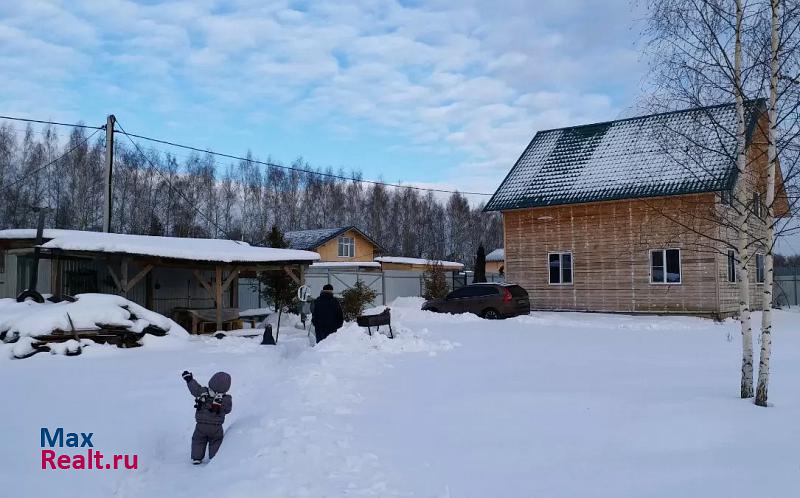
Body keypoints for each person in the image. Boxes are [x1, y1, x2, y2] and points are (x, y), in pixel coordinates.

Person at [182, 370, 233, 465]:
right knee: (216, 442)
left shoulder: (203, 392)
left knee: (198, 440)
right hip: (216, 428)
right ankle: (215, 458)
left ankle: (197, 458)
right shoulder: (226, 399)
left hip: (201, 426)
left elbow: (195, 389)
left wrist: (189, 380)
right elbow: (228, 410)